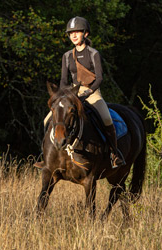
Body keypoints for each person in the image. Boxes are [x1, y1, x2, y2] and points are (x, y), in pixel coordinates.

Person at [43, 16, 125, 168]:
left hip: (92, 92)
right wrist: (64, 95)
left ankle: (114, 154)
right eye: (70, 33)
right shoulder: (67, 56)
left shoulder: (94, 54)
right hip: (72, 93)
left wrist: (87, 93)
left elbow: (99, 78)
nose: (73, 35)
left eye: (77, 32)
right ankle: (46, 157)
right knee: (46, 120)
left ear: (85, 34)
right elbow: (63, 81)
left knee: (107, 119)